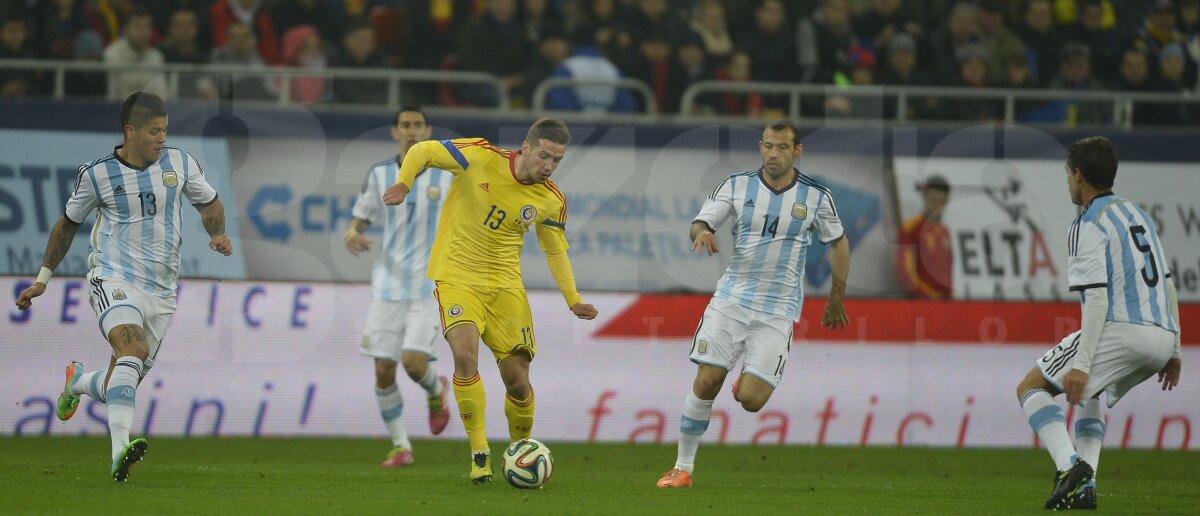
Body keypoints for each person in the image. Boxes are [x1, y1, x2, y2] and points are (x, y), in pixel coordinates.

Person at [14, 92, 233, 482]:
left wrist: (218, 234)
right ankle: (120, 452)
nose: (162, 138)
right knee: (133, 346)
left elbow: (210, 204)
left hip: (163, 290)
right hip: (113, 277)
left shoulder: (180, 163)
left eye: (165, 130)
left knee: (124, 377)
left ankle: (78, 381)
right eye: (153, 131)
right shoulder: (96, 175)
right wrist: (42, 279)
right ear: (129, 131)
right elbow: (67, 224)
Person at [382, 117, 598, 484]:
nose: (548, 166)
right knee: (465, 355)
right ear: (526, 148)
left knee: (517, 379)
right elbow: (422, 150)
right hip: (457, 278)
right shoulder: (479, 156)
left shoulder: (551, 199)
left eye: (556, 161)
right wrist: (404, 182)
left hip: (506, 288)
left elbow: (555, 251)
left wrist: (573, 299)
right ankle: (479, 453)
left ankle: (518, 451)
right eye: (544, 156)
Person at [657, 119, 851, 488]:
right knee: (708, 379)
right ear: (759, 146)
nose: (773, 154)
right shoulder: (736, 185)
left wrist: (836, 297)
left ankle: (744, 381)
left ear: (797, 151)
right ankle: (682, 468)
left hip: (777, 311)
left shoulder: (815, 196)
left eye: (781, 147)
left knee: (751, 400)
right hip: (731, 300)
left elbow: (838, 243)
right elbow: (699, 223)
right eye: (767, 146)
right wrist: (703, 233)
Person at [1015, 136, 1181, 510]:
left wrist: (1082, 363)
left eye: (1067, 175)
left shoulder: (1089, 222)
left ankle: (1071, 468)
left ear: (1078, 174)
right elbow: (1168, 286)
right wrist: (1175, 349)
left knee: (1031, 388)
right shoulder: (1138, 214)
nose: (1068, 183)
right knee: (1088, 394)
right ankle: (1086, 489)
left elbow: (1097, 300)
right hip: (1162, 335)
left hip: (1123, 330)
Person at [344, 106, 453, 468]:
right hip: (388, 286)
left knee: (412, 361)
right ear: (395, 132)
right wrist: (353, 231)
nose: (411, 131)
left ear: (428, 130)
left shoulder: (449, 174)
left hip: (430, 286)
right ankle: (401, 445)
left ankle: (437, 390)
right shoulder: (379, 175)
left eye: (417, 125)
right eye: (405, 125)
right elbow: (363, 214)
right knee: (383, 370)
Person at [896, 175, 952, 299]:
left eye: (941, 201)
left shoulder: (944, 231)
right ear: (925, 197)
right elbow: (906, 273)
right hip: (921, 304)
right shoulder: (911, 228)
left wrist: (949, 300)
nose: (937, 205)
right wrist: (931, 296)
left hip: (945, 306)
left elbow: (947, 274)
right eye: (933, 200)